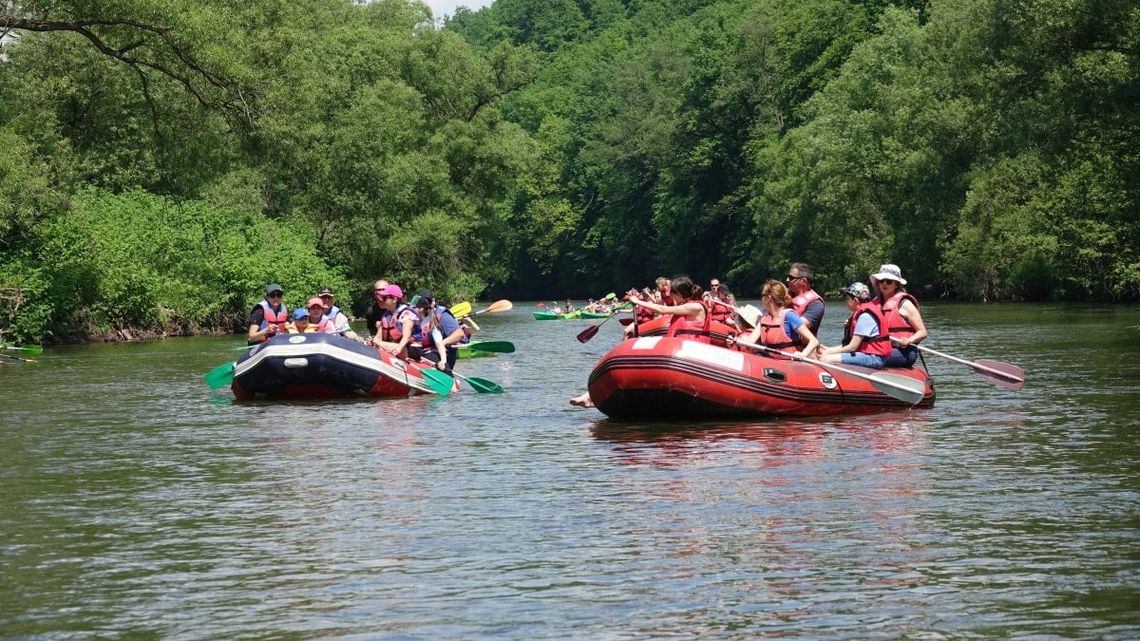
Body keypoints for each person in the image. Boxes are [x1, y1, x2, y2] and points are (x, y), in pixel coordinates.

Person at [731, 279, 819, 359]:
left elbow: (814, 341)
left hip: (788, 363)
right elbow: (750, 341)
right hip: (771, 362)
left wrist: (802, 354)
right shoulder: (765, 318)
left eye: (762, 296)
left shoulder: (789, 316)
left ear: (768, 298)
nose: (761, 299)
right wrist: (735, 340)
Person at [818, 282, 890, 368]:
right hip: (868, 354)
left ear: (855, 300)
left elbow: (852, 347)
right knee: (824, 354)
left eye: (848, 298)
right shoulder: (861, 313)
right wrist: (828, 349)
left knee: (824, 358)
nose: (846, 301)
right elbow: (850, 344)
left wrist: (828, 353)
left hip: (874, 358)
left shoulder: (865, 317)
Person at [870, 263, 928, 368]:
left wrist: (909, 340)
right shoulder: (874, 303)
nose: (884, 284)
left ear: (896, 284)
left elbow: (923, 332)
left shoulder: (905, 304)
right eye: (881, 280)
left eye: (888, 281)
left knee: (868, 357)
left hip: (904, 351)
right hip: (880, 347)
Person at [626, 276, 709, 342]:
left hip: (692, 346)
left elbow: (663, 309)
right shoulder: (687, 305)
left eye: (672, 292)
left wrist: (637, 301)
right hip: (682, 344)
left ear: (679, 293)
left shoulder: (695, 306)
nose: (671, 295)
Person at [408, 290, 465, 371]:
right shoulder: (412, 316)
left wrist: (443, 344)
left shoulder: (442, 316)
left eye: (415, 307)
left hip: (438, 353)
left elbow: (459, 334)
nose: (412, 309)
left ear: (421, 308)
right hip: (420, 351)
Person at [786, 262, 825, 335]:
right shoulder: (782, 296)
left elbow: (798, 326)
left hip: (800, 346)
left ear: (804, 281)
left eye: (791, 278)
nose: (787, 280)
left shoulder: (816, 304)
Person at [363, 279, 391, 344]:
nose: (381, 292)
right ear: (374, 293)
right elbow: (372, 332)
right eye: (378, 290)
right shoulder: (371, 311)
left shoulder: (396, 308)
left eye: (383, 289)